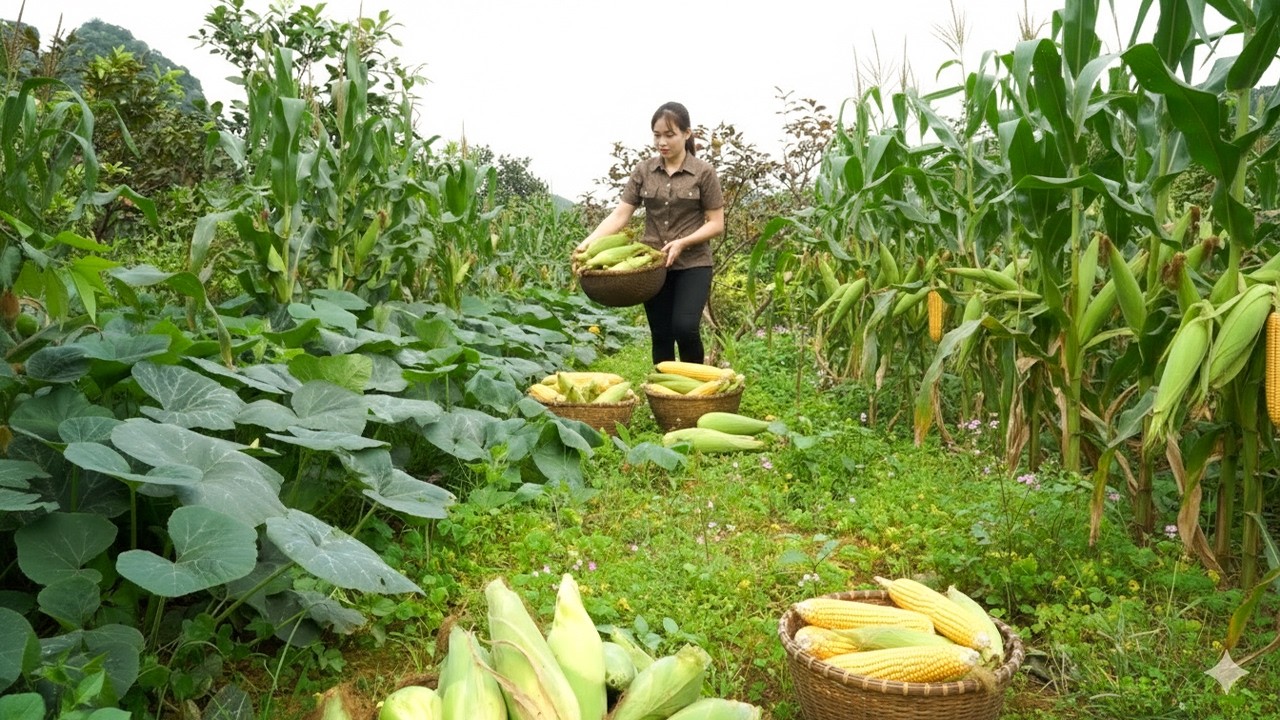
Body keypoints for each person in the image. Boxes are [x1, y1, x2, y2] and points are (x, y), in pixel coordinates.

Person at [576, 101, 725, 365]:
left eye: (670, 135)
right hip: (653, 267)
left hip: (693, 264)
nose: (662, 142)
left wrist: (683, 242)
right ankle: (665, 398)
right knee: (661, 334)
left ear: (687, 134)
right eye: (657, 135)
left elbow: (716, 223)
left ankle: (695, 391)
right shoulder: (644, 171)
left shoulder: (703, 172)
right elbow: (621, 215)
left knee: (685, 327)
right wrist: (586, 245)